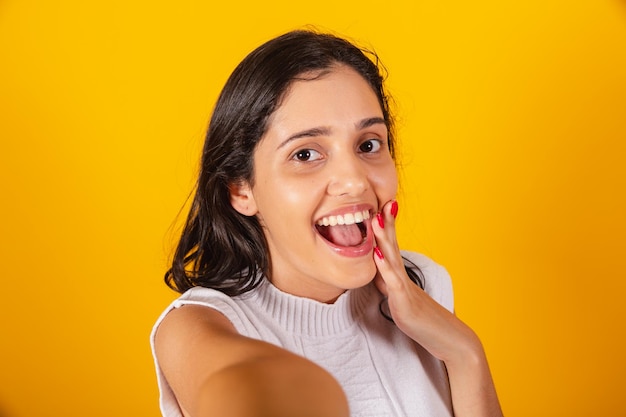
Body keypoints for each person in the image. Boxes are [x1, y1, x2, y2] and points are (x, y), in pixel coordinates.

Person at [151, 29, 503, 417]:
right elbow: (237, 386)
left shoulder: (425, 285)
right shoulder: (197, 326)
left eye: (369, 144)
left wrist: (464, 352)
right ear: (241, 189)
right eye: (305, 154)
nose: (355, 181)